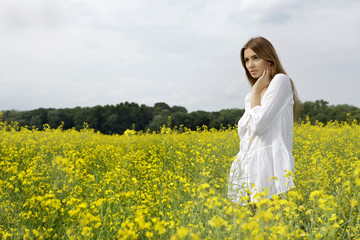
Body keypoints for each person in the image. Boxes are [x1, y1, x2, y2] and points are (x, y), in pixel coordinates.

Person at [228, 36, 301, 204]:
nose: (250, 65)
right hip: (246, 164)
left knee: (269, 225)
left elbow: (258, 127)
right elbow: (245, 136)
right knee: (247, 227)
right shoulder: (250, 96)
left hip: (270, 164)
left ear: (269, 59)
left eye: (256, 58)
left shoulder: (281, 81)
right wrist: (254, 93)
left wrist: (255, 93)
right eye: (246, 60)